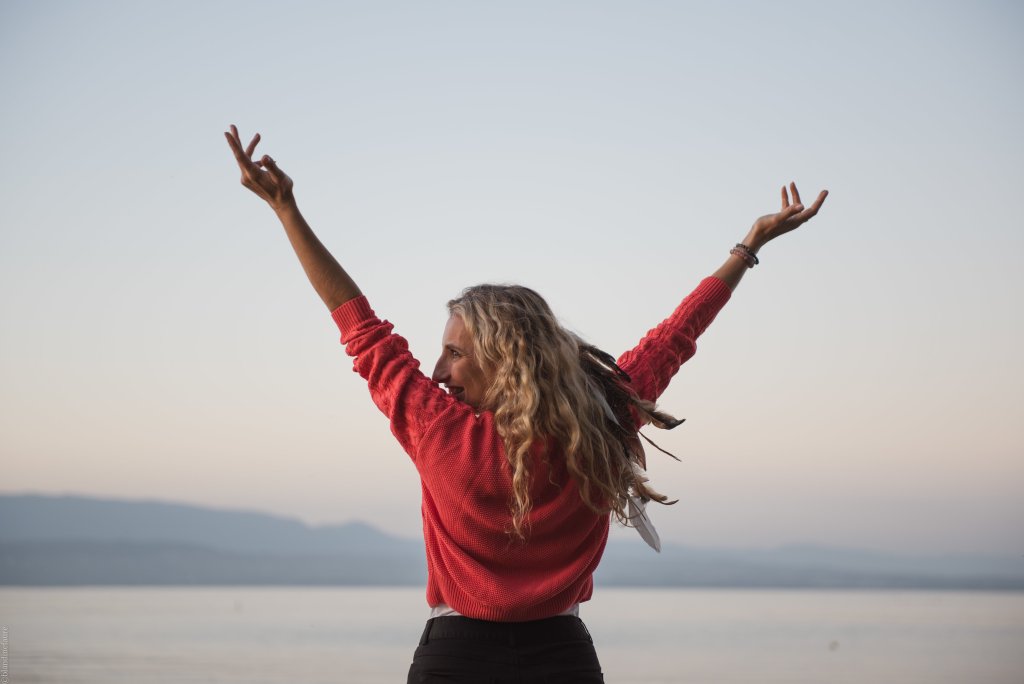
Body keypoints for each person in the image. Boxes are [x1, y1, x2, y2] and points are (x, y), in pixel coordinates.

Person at [225, 125, 828, 683]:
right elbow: (677, 336)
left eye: (454, 355)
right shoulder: (602, 417)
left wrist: (286, 211)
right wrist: (749, 245)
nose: (436, 373)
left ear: (504, 359)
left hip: (454, 659)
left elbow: (356, 323)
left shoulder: (436, 428)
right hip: (561, 658)